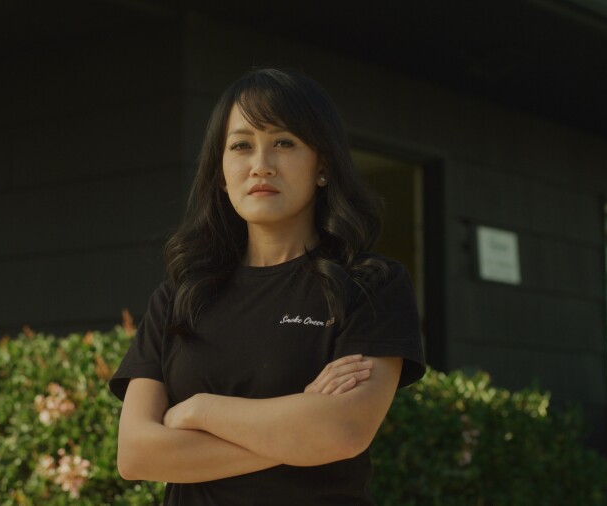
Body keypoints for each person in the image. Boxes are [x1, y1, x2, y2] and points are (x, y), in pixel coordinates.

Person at [108, 68, 425, 505]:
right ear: (221, 173)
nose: (260, 166)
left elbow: (343, 431)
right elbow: (137, 454)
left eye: (284, 143)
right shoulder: (180, 297)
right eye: (241, 146)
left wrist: (198, 411)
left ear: (323, 165)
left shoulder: (370, 284)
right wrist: (297, 427)